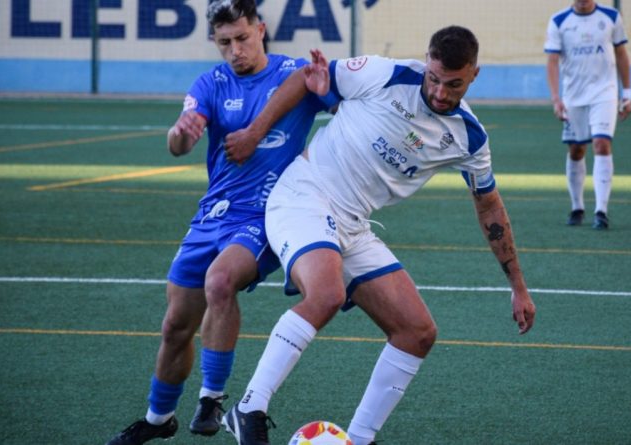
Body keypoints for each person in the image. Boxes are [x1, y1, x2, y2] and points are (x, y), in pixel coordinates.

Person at [218, 26, 537, 445]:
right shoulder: (387, 73)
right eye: (434, 78)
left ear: (474, 75)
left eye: (454, 84)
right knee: (326, 295)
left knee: (417, 331)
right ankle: (249, 408)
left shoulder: (469, 137)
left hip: (353, 225)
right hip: (304, 196)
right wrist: (256, 132)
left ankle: (360, 439)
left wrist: (518, 287)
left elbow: (490, 207)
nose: (440, 92)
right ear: (426, 62)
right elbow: (304, 78)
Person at [104, 1, 328, 444]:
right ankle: (158, 418)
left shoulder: (294, 73)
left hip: (264, 214)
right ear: (214, 41)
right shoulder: (211, 83)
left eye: (242, 38)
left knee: (221, 281)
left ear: (260, 30)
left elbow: (342, 103)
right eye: (225, 42)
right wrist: (181, 133)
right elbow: (178, 144)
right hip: (213, 213)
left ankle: (212, 399)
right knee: (175, 325)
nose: (235, 50)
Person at [544, 0, 631, 229]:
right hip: (573, 97)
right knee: (576, 149)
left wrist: (627, 92)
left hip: (605, 93)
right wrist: (556, 98)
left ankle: (601, 211)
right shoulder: (558, 21)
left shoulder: (611, 17)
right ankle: (577, 207)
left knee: (602, 144)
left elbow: (621, 54)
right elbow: (552, 62)